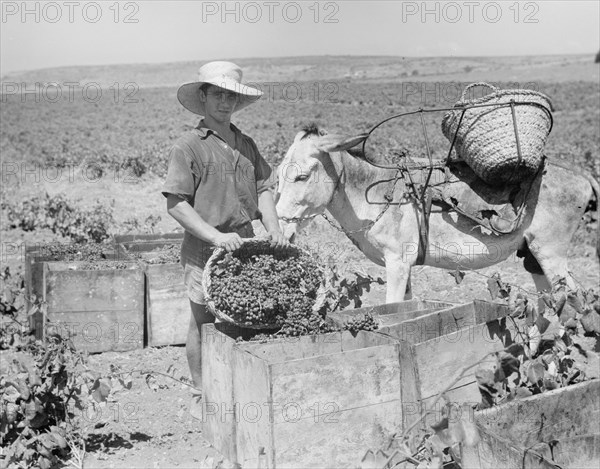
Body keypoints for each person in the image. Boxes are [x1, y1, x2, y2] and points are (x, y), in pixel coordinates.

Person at [162, 61, 287, 418]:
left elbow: (264, 189)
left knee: (244, 318)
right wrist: (215, 236)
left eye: (230, 95)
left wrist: (273, 228)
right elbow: (176, 204)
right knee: (202, 322)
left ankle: (237, 391)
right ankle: (203, 395)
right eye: (217, 94)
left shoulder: (246, 144)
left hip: (245, 248)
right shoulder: (188, 146)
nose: (225, 102)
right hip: (204, 249)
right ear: (203, 97)